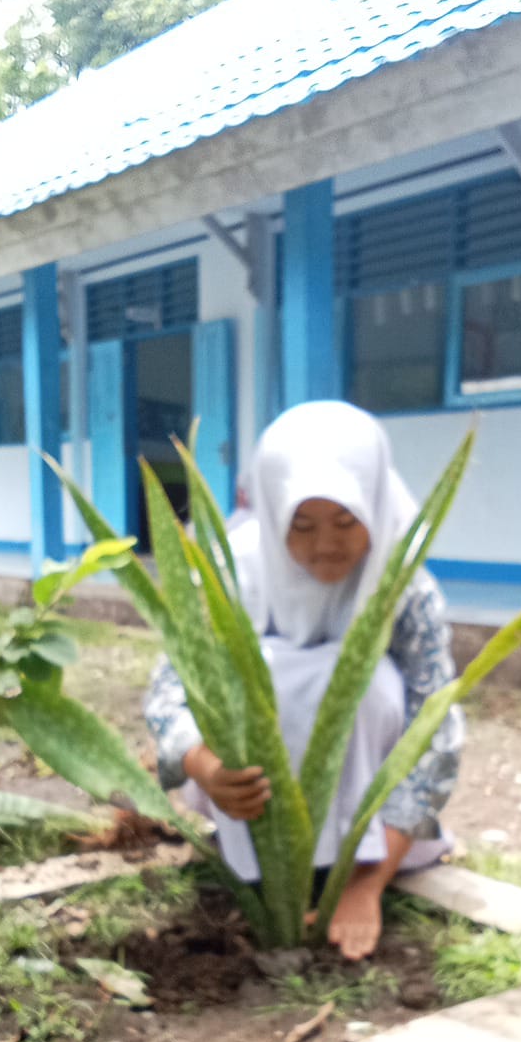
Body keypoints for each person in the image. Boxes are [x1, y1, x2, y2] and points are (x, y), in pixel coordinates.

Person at [145, 400, 464, 961]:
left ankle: (360, 858)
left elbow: (436, 731)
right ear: (271, 512)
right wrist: (206, 767)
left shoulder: (403, 586)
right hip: (247, 806)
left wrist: (367, 886)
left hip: (373, 837)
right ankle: (252, 854)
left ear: (375, 506)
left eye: (346, 522)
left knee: (370, 684)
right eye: (302, 525)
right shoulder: (231, 576)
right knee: (247, 679)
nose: (325, 545)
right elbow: (172, 689)